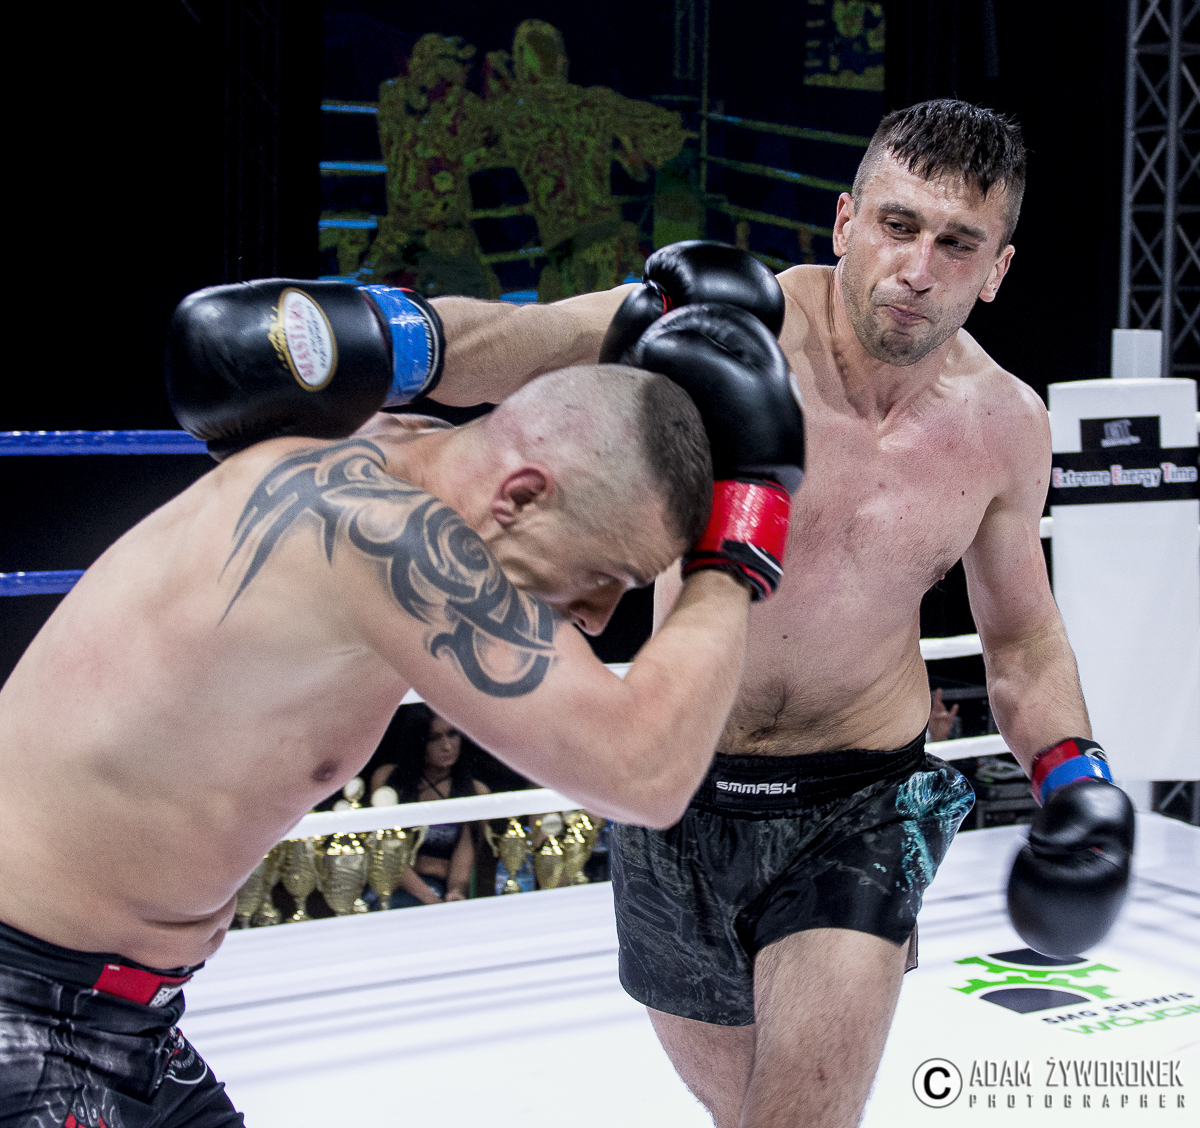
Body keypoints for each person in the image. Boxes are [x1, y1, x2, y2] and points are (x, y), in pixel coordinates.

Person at [329, 100, 1133, 1128]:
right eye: (897, 226)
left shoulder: (1006, 426)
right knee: (743, 1111)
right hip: (679, 785)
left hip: (861, 802)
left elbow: (1021, 636)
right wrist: (357, 340)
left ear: (997, 270)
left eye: (956, 243)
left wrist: (1075, 778)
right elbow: (528, 341)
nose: (917, 269)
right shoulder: (730, 325)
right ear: (845, 221)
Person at [0, 298, 805, 1126]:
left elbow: (534, 370)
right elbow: (644, 771)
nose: (599, 618)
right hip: (26, 1006)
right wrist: (742, 535)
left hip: (125, 1014)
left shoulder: (399, 452)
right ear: (520, 496)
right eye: (606, 575)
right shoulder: (387, 536)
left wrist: (649, 328)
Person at [378, 706, 490, 907]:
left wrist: (456, 893)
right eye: (434, 738)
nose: (447, 746)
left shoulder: (476, 791)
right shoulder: (388, 779)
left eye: (452, 734)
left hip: (438, 888)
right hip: (390, 886)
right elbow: (386, 854)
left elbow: (463, 863)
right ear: (417, 741)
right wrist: (431, 900)